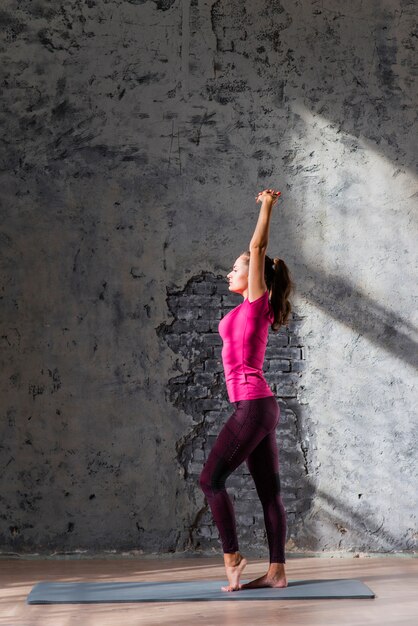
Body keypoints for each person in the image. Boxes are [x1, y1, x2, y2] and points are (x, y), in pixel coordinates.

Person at [199, 188, 295, 592]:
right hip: (260, 405)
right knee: (268, 491)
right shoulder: (244, 310)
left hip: (253, 406)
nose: (229, 273)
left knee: (210, 480)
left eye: (235, 268)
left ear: (254, 276)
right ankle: (277, 572)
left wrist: (267, 207)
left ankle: (233, 555)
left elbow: (257, 246)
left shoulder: (258, 301)